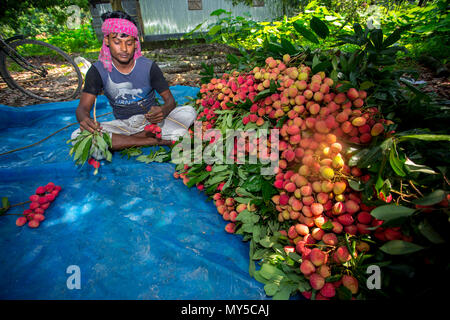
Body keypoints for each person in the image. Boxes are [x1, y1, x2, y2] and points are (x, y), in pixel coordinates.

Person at [71, 11, 196, 159]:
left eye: (129, 43)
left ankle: (124, 142)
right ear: (106, 41)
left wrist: (163, 110)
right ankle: (152, 141)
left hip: (149, 123)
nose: (124, 49)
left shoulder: (148, 67)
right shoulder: (97, 70)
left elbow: (170, 101)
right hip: (122, 125)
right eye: (117, 42)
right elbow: (82, 108)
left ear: (135, 43)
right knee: (78, 135)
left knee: (189, 111)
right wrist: (85, 120)